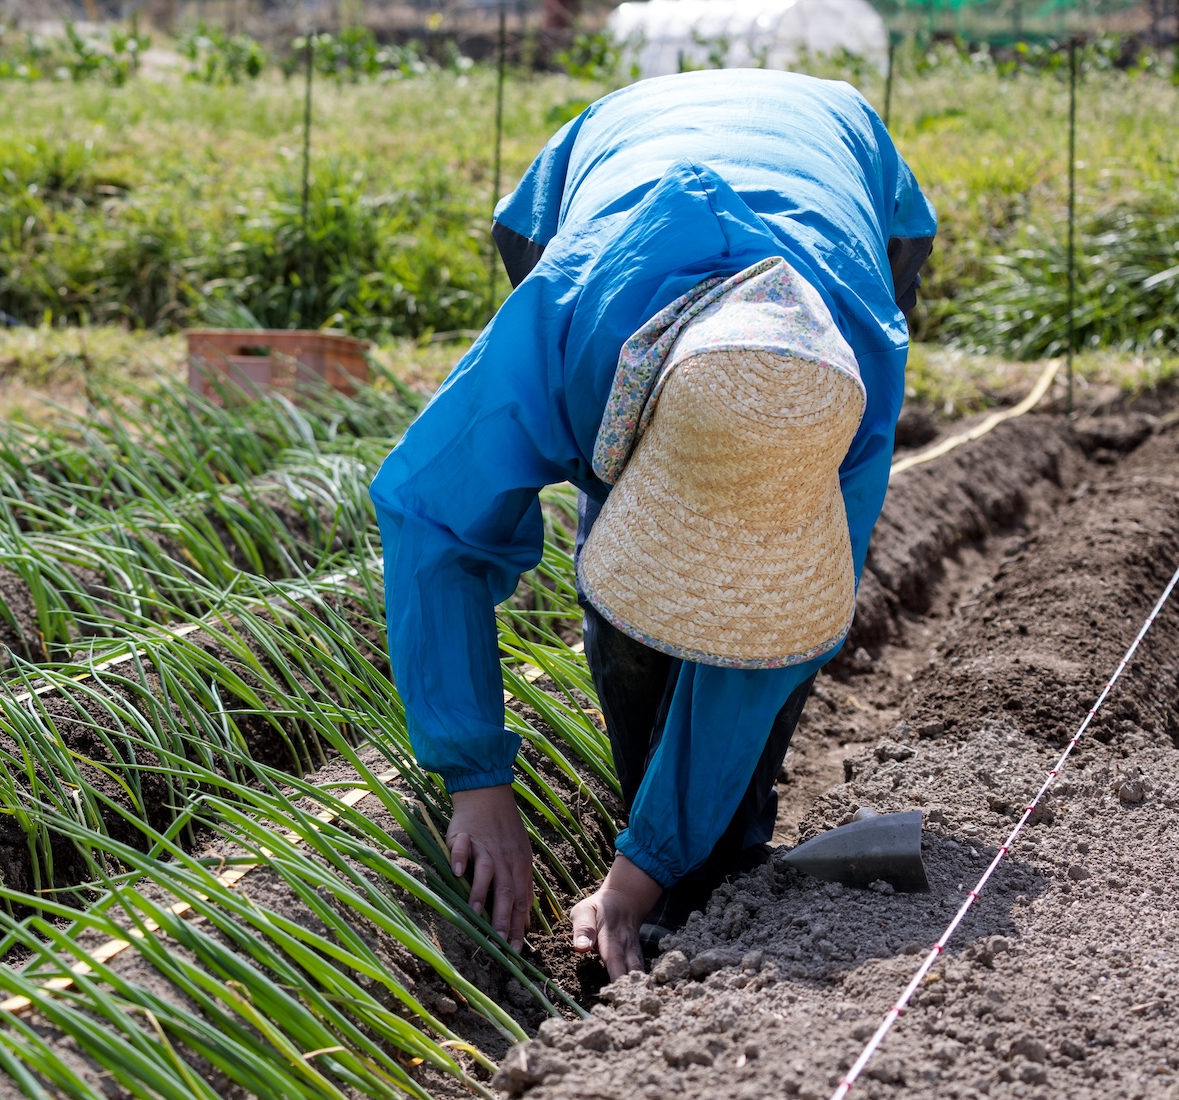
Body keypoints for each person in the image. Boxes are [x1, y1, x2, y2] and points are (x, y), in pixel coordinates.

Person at [371, 69, 935, 980]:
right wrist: (474, 777)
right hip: (608, 179)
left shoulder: (847, 383)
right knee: (626, 591)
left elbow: (781, 638)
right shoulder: (557, 338)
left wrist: (647, 868)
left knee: (768, 608)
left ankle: (711, 858)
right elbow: (433, 524)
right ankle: (668, 824)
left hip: (849, 181)